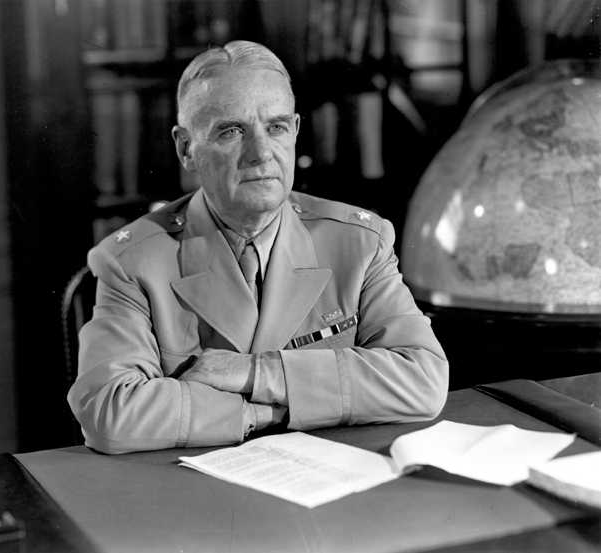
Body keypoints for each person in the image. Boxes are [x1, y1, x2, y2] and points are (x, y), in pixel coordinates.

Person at [68, 40, 448, 454]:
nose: (261, 153)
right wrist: (267, 414)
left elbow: (423, 380)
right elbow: (111, 413)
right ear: (186, 149)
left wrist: (254, 373)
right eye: (231, 131)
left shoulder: (358, 242)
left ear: (297, 132)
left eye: (277, 127)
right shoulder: (134, 261)